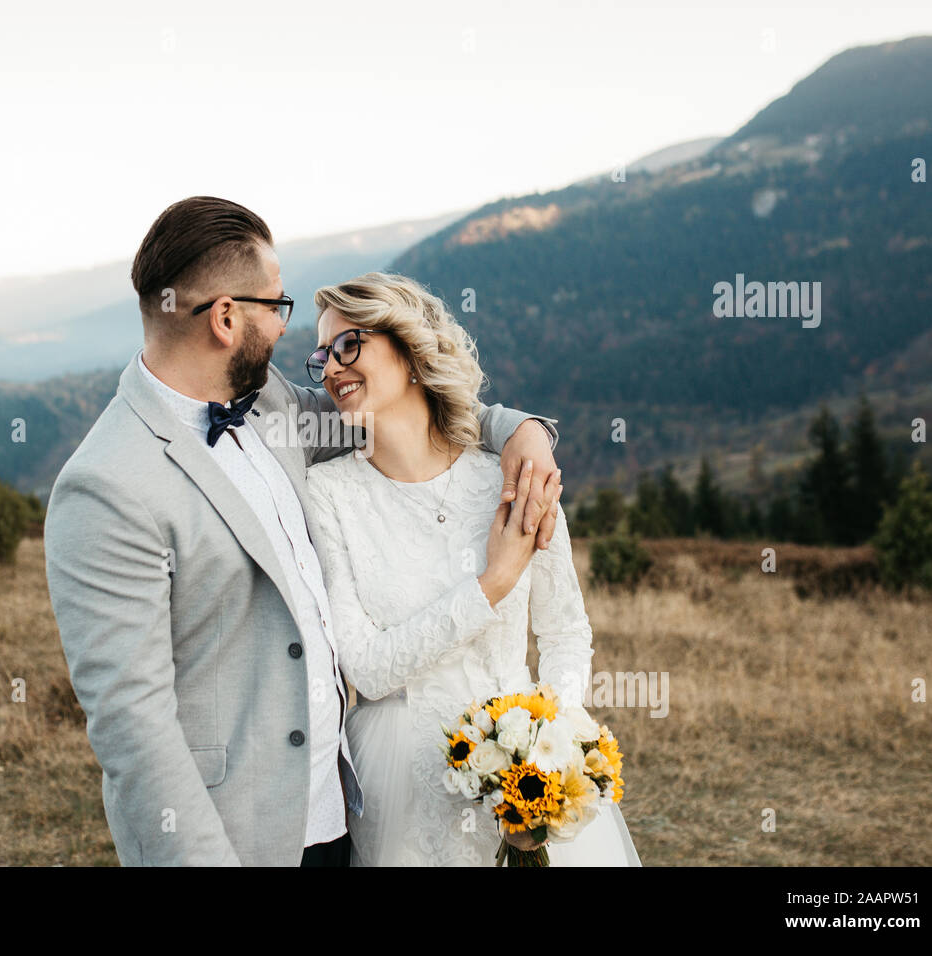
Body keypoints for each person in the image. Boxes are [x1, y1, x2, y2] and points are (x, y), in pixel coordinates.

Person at [43, 197, 564, 866]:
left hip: (343, 816)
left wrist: (521, 430)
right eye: (276, 306)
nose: (287, 330)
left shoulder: (271, 404)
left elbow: (402, 405)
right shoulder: (107, 487)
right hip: (241, 839)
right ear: (227, 318)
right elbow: (132, 731)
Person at [305, 272, 641, 866]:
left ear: (410, 352)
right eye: (322, 356)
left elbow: (565, 633)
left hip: (524, 780)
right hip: (401, 785)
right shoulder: (328, 495)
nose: (331, 368)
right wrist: (492, 585)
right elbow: (368, 669)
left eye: (348, 345)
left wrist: (547, 748)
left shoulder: (513, 478)